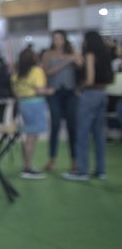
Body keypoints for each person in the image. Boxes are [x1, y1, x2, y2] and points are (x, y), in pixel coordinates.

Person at [64, 31, 114, 181]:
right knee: (99, 134)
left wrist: (80, 88)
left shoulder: (90, 54)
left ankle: (82, 171)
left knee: (82, 133)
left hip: (90, 95)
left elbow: (90, 78)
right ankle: (100, 170)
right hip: (102, 94)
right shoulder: (106, 55)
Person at [40, 30, 81, 173]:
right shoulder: (47, 54)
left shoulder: (73, 52)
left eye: (60, 38)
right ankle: (52, 160)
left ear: (65, 39)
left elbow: (82, 67)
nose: (57, 41)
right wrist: (66, 61)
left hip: (70, 92)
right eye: (55, 38)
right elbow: (46, 72)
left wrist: (75, 59)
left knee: (72, 127)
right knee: (55, 124)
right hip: (54, 92)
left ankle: (74, 161)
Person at [11, 47, 51, 179]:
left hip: (23, 104)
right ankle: (27, 168)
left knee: (29, 135)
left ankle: (27, 165)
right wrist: (51, 91)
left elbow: (15, 92)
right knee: (31, 136)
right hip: (35, 104)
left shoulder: (16, 74)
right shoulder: (37, 71)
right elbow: (40, 90)